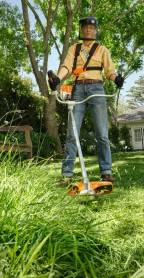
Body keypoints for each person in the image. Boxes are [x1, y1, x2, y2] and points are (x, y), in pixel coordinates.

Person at [48, 16, 124, 185]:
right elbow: (66, 67)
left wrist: (116, 79)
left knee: (102, 134)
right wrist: (57, 79)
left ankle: (106, 172)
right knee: (71, 134)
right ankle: (67, 175)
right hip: (78, 90)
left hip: (97, 89)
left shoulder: (102, 49)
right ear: (82, 30)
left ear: (96, 30)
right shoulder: (74, 49)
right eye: (85, 27)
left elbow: (109, 71)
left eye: (92, 27)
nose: (88, 30)